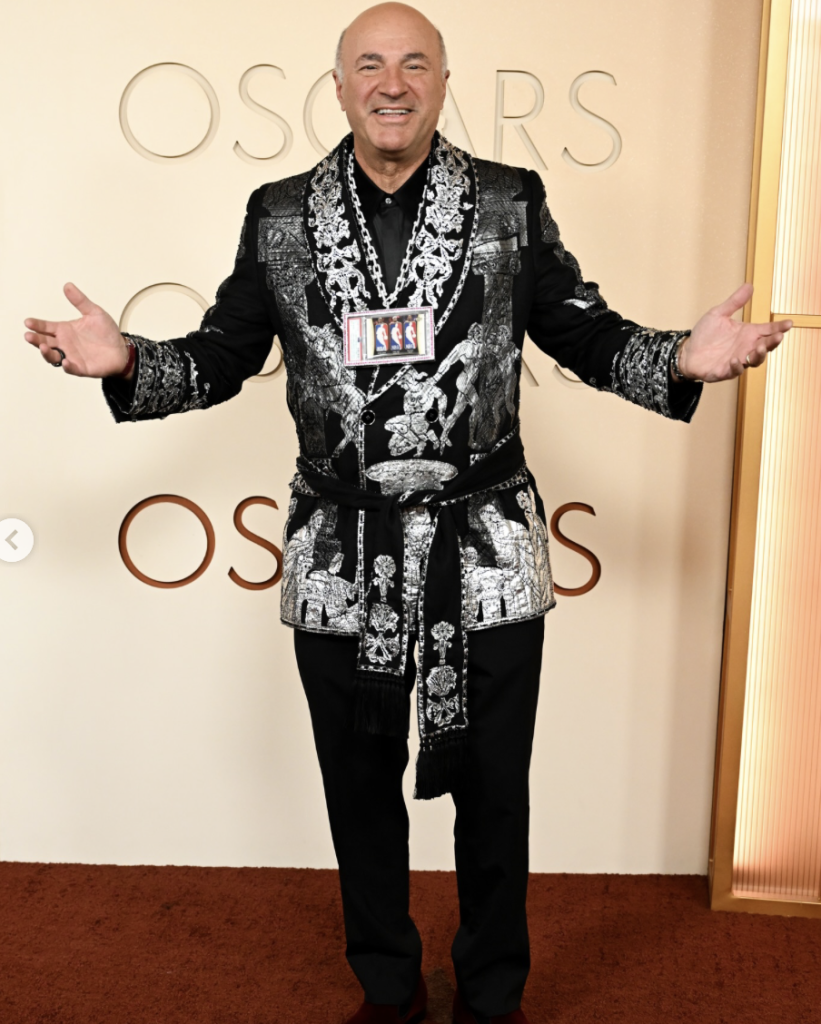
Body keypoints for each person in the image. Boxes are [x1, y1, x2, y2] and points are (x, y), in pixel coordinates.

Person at [23, 5, 791, 1022]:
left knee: (496, 789)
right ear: (339, 86)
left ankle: (492, 995)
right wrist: (129, 360)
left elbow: (582, 333)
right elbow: (223, 354)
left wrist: (679, 360)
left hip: (486, 544)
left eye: (414, 64)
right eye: (371, 65)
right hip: (339, 550)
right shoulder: (280, 215)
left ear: (441, 83)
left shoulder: (509, 202)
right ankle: (387, 991)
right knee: (356, 785)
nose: (392, 83)